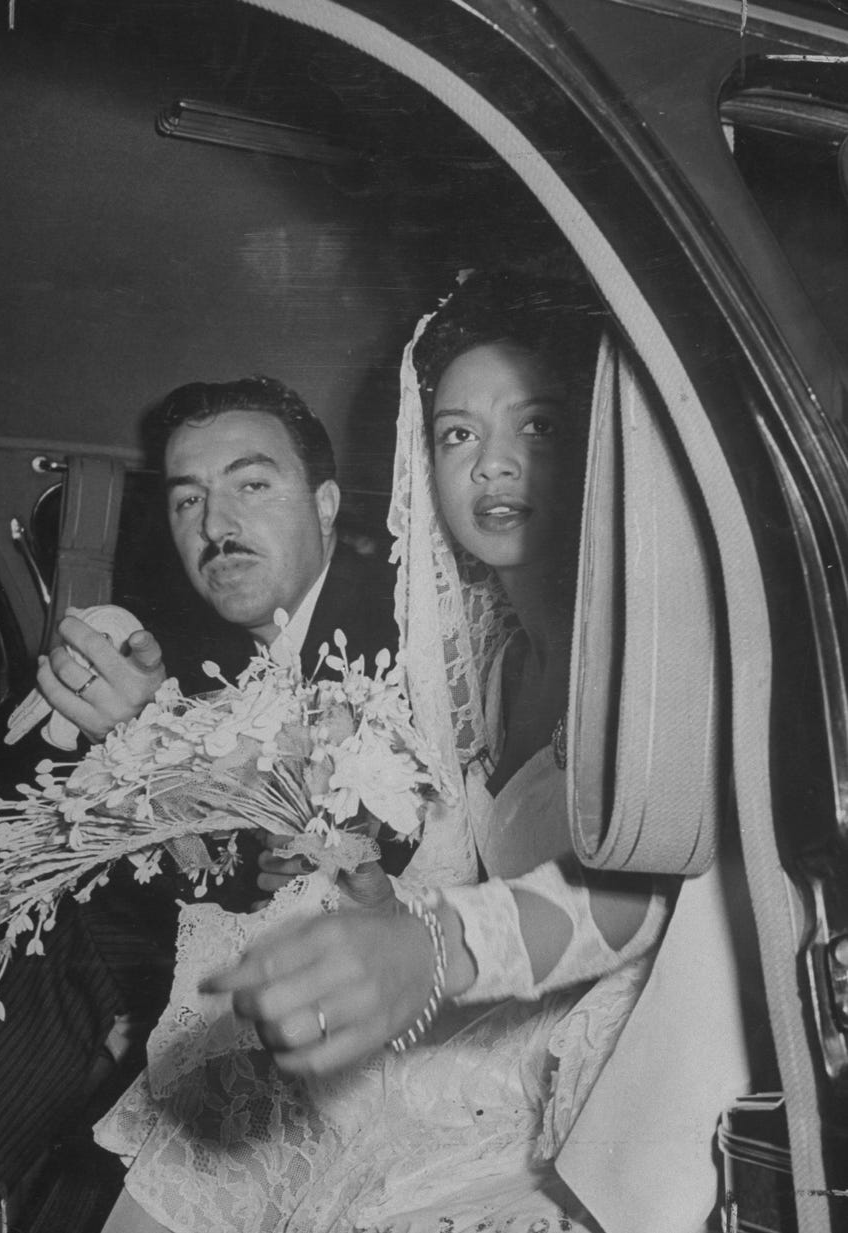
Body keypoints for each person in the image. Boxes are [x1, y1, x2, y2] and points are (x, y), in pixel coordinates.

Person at [93, 271, 673, 1233]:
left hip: (601, 1053)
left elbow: (657, 879)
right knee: (225, 1124)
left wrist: (436, 945)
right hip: (498, 997)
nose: (492, 465)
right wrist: (377, 900)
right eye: (458, 434)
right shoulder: (481, 656)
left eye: (537, 427)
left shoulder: (644, 659)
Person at [0, 377, 398, 1233]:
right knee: (61, 906)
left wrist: (150, 732)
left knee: (81, 941)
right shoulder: (196, 641)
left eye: (251, 485)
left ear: (327, 504)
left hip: (344, 987)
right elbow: (49, 783)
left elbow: (341, 860)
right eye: (189, 497)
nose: (215, 523)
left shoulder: (386, 633)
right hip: (211, 946)